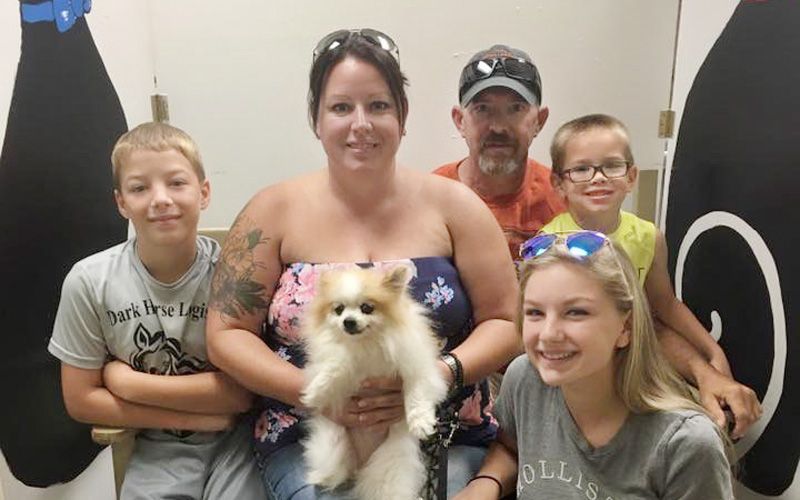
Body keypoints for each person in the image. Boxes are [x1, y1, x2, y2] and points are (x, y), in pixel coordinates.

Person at [205, 29, 520, 500]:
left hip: (442, 432)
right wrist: (314, 391)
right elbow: (226, 333)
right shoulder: (269, 213)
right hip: (311, 433)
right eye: (340, 108)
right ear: (316, 118)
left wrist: (440, 374)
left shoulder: (458, 207)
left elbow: (506, 320)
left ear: (402, 116)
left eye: (378, 106)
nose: (361, 125)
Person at [47, 122, 265, 499]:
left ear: (204, 192)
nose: (160, 198)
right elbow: (81, 400)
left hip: (239, 445)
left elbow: (242, 395)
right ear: (121, 202)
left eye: (176, 183)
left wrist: (127, 384)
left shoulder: (237, 274)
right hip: (154, 451)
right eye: (139, 188)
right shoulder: (89, 282)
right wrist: (190, 416)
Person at [454, 231, 734, 499]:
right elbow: (510, 447)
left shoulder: (684, 443)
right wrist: (486, 483)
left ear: (625, 327)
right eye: (535, 312)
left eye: (576, 312)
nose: (549, 334)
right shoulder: (526, 377)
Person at [541, 113, 761, 438]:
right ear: (559, 183)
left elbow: (664, 304)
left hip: (637, 355)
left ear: (631, 177)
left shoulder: (648, 237)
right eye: (582, 169)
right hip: (582, 365)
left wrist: (712, 351)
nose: (598, 178)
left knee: (703, 422)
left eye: (612, 166)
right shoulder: (550, 243)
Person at [433, 44, 565, 258]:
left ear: (539, 121)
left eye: (515, 109)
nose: (498, 127)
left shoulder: (561, 199)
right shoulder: (434, 197)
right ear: (460, 121)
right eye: (482, 109)